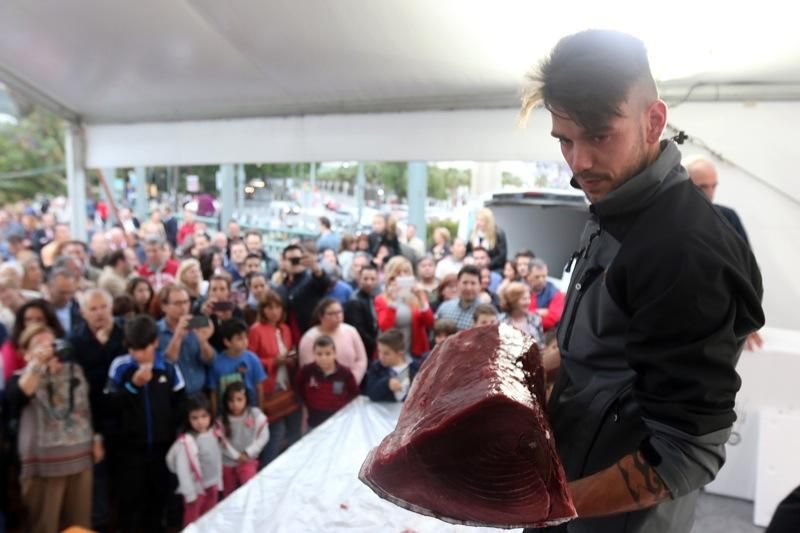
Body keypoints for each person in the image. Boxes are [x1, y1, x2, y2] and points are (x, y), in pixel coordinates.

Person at [518, 29, 764, 532]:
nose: (579, 162)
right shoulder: (616, 198)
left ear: (654, 121)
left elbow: (686, 451)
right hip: (570, 479)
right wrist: (537, 368)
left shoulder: (684, 251)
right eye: (565, 140)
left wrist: (546, 505)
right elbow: (609, 337)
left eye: (600, 135)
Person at [6, 324, 99, 533]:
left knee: (79, 525)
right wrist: (37, 364)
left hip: (80, 459)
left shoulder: (76, 371)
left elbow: (89, 407)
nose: (48, 349)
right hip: (43, 467)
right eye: (40, 345)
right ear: (25, 352)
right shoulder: (19, 378)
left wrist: (97, 438)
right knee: (43, 525)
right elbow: (19, 395)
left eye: (51, 343)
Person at [106, 314, 186, 533]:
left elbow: (181, 404)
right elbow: (110, 406)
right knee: (130, 506)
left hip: (162, 450)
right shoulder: (120, 367)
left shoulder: (168, 368)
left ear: (155, 343)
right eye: (133, 348)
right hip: (130, 452)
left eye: (143, 348)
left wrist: (174, 434)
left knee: (157, 502)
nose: (137, 354)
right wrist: (133, 386)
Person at [686, 157, 763, 351]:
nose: (710, 193)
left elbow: (748, 272)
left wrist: (747, 318)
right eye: (703, 187)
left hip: (723, 325)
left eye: (714, 186)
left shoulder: (728, 218)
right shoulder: (669, 222)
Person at [68, 288, 126, 530]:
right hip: (93, 422)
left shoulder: (124, 333)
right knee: (99, 481)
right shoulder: (75, 341)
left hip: (126, 418)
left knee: (124, 479)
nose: (99, 313)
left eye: (103, 307)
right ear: (83, 312)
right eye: (93, 309)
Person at [247, 290, 302, 466]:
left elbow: (288, 350)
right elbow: (251, 360)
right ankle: (268, 469)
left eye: (277, 307)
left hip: (287, 386)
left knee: (295, 431)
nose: (274, 311)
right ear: (262, 310)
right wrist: (273, 361)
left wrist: (291, 359)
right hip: (269, 388)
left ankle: (295, 465)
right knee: (275, 435)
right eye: (269, 307)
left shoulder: (285, 328)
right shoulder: (256, 330)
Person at [165, 394, 223, 527]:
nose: (200, 422)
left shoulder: (214, 432)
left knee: (210, 517)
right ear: (187, 419)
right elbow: (183, 471)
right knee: (193, 521)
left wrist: (219, 482)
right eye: (194, 418)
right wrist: (190, 494)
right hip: (196, 491)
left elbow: (217, 459)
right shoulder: (186, 442)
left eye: (204, 416)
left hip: (212, 485)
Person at [158, 285, 216, 396]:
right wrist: (178, 335)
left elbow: (211, 360)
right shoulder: (156, 332)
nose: (183, 307)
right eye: (178, 303)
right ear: (164, 306)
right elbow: (166, 365)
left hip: (200, 394)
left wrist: (203, 341)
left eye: (186, 302)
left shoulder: (197, 326)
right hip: (174, 397)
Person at [216, 382, 269, 497]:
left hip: (248, 460)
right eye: (231, 400)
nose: (235, 404)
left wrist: (248, 452)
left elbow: (264, 435)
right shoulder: (221, 421)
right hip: (227, 463)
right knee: (229, 495)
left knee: (250, 490)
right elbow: (221, 443)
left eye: (239, 400)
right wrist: (237, 456)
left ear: (247, 400)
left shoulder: (255, 414)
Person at [374, 256, 433, 359]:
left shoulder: (417, 295)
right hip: (392, 353)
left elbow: (429, 323)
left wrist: (421, 299)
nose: (402, 276)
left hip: (415, 352)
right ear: (391, 276)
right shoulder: (381, 299)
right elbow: (385, 327)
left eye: (406, 272)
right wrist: (393, 301)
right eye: (398, 272)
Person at [294, 335, 359, 428]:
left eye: (328, 353)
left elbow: (353, 393)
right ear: (314, 354)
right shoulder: (307, 371)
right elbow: (298, 387)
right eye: (319, 354)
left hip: (339, 421)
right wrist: (307, 403)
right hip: (315, 420)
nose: (323, 358)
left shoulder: (345, 373)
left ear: (334, 353)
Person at [298, 298, 368, 384]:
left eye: (339, 312)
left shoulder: (351, 331)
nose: (337, 316)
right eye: (331, 314)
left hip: (351, 383)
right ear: (321, 316)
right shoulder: (310, 338)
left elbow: (361, 359)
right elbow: (307, 368)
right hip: (322, 387)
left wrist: (353, 379)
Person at [273, 244, 331, 345]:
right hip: (287, 339)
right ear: (284, 261)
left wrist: (315, 267)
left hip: (312, 337)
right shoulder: (280, 287)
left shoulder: (312, 279)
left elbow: (324, 281)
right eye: (291, 259)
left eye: (297, 259)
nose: (295, 263)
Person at [208, 319, 266, 415]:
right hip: (226, 414)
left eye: (246, 337)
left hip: (249, 411)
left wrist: (260, 412)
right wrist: (214, 416)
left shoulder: (253, 359)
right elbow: (214, 392)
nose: (245, 342)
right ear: (227, 342)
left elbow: (259, 388)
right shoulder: (217, 363)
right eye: (239, 339)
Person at [1, 299, 65, 381]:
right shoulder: (11, 346)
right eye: (28, 319)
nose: (33, 323)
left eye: (39, 319)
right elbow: (10, 382)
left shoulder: (60, 343)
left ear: (49, 321)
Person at [366, 328, 423, 403]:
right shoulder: (377, 368)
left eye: (386, 353)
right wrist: (386, 384)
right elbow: (371, 393)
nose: (381, 356)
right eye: (379, 351)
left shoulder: (415, 367)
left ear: (400, 353)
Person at [344, 265, 379, 359]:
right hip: (364, 348)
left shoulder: (374, 295)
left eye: (373, 279)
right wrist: (375, 344)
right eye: (366, 279)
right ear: (359, 279)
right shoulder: (354, 300)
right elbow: (359, 330)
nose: (369, 282)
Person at [434, 265, 483, 331]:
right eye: (465, 283)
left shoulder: (486, 313)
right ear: (458, 283)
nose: (468, 288)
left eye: (473, 283)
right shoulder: (444, 308)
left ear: (480, 286)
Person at [526, 259, 565, 332]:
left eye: (544, 276)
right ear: (528, 276)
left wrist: (525, 317)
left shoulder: (555, 293)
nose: (541, 280)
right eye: (537, 277)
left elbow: (553, 319)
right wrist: (538, 312)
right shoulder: (521, 289)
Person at [46, 268, 86, 336]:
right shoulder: (40, 311)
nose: (66, 297)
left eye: (70, 292)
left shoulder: (80, 310)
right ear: (50, 288)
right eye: (62, 293)